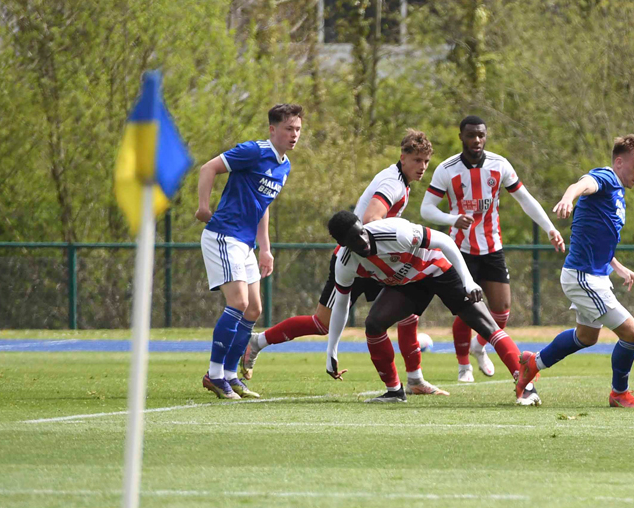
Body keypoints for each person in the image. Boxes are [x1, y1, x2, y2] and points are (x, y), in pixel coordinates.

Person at [240, 130, 435, 384]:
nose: (422, 167)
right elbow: (371, 220)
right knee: (322, 324)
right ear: (403, 157)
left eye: (426, 161)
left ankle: (415, 380)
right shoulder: (393, 184)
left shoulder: (400, 180)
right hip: (354, 260)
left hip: (372, 261)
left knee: (408, 311)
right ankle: (257, 341)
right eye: (417, 160)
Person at [322, 210, 529, 404]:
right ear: (342, 244)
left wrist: (467, 281)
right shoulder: (344, 263)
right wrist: (332, 350)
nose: (363, 241)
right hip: (408, 285)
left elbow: (445, 241)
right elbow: (341, 304)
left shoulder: (395, 232)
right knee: (374, 325)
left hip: (437, 270)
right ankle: (394, 391)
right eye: (354, 240)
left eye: (362, 233)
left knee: (486, 325)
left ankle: (526, 387)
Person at [421, 115, 565, 383]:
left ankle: (479, 346)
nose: (476, 140)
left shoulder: (500, 165)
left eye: (481, 135)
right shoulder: (447, 169)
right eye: (471, 135)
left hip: (492, 247)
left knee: (501, 311)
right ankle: (464, 366)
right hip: (460, 249)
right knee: (467, 309)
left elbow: (524, 198)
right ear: (461, 136)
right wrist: (452, 219)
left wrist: (549, 228)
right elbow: (426, 208)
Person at [514, 135, 634, 409]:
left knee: (586, 337)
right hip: (583, 277)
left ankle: (532, 362)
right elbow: (583, 184)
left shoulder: (618, 193)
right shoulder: (606, 177)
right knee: (632, 334)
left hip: (594, 275)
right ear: (619, 161)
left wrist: (618, 267)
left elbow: (600, 237)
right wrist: (568, 197)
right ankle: (619, 394)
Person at [195, 104, 302, 400]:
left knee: (254, 309)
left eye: (297, 130)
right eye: (288, 129)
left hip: (246, 244)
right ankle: (214, 374)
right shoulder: (254, 151)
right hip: (223, 236)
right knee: (239, 302)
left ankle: (230, 375)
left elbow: (261, 206)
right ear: (272, 130)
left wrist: (265, 248)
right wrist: (204, 207)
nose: (294, 135)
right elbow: (208, 168)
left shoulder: (284, 165)